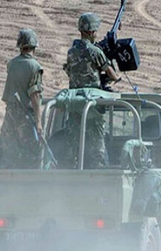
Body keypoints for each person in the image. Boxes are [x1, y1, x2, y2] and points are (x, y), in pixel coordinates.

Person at [62, 13, 120, 168]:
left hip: (75, 101)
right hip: (92, 103)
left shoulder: (71, 51)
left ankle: (71, 168)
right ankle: (97, 169)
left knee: (74, 139)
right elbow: (112, 75)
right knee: (96, 143)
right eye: (95, 31)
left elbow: (70, 71)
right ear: (91, 31)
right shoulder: (95, 51)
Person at [0, 28, 43, 169]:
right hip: (24, 114)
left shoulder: (11, 64)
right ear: (34, 47)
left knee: (9, 148)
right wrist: (39, 122)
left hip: (10, 111)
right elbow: (35, 96)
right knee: (33, 151)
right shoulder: (35, 67)